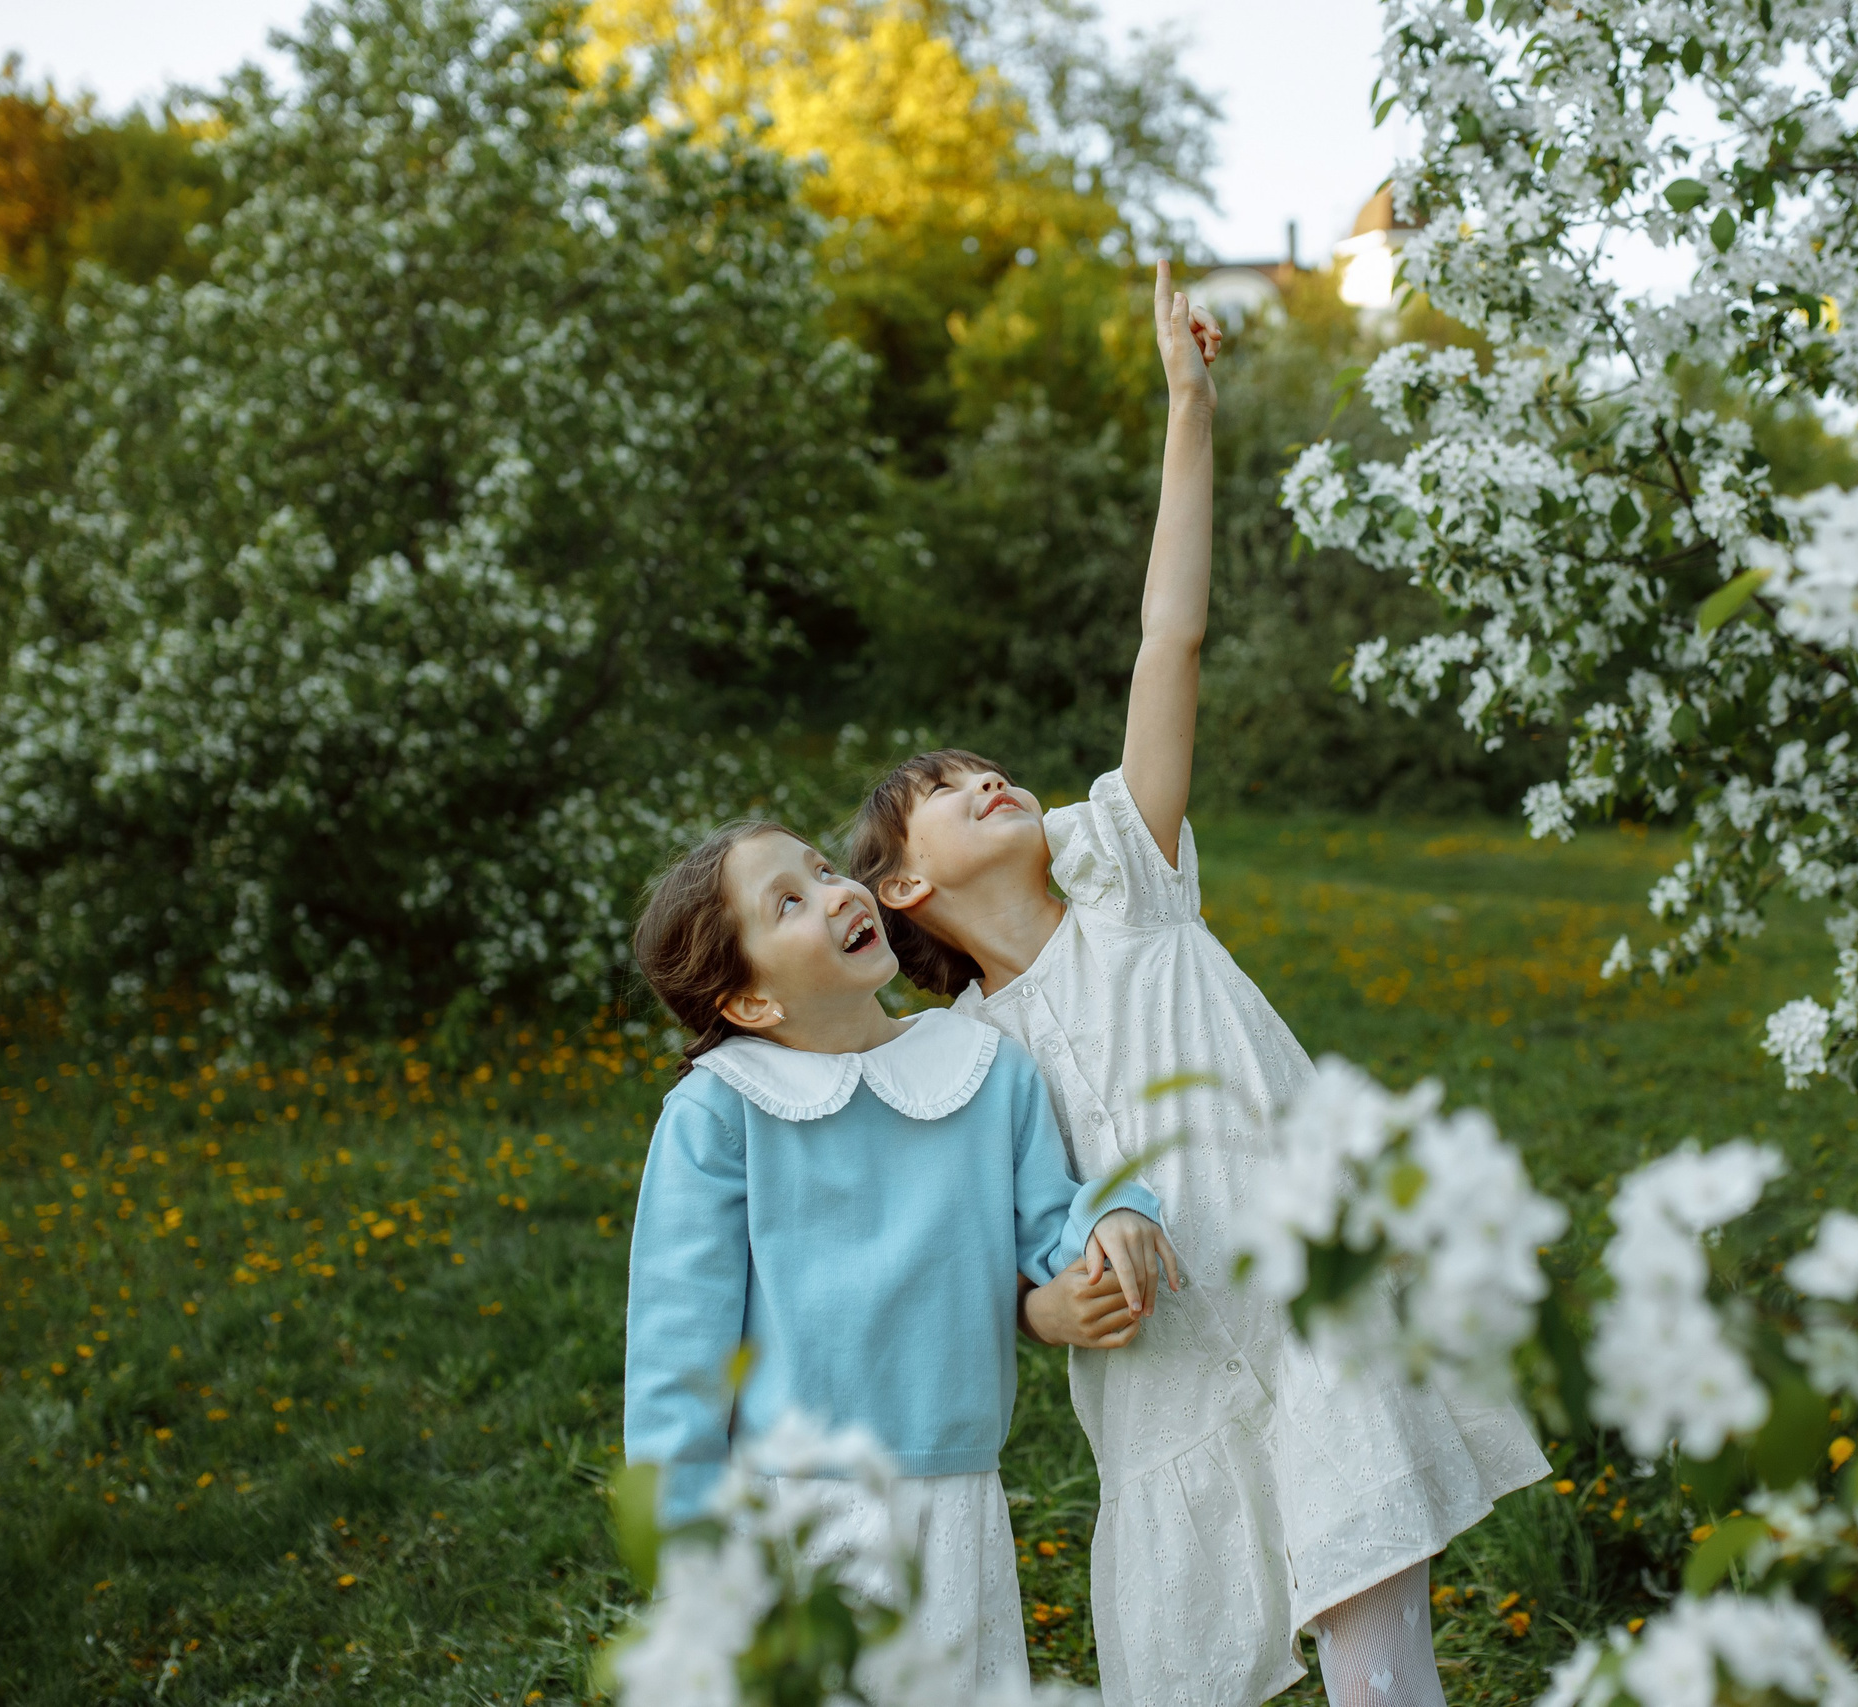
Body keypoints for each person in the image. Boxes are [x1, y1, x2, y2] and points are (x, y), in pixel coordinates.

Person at [848, 262, 1547, 1707]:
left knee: (1377, 1663)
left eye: (987, 764)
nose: (985, 776)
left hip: (1313, 1310)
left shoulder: (1131, 878)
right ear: (905, 887)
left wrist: (1189, 405)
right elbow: (986, 1268)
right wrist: (1052, 1313)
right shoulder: (965, 1059)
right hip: (1162, 1393)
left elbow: (1170, 637)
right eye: (944, 789)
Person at [621, 819, 1179, 1691]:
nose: (840, 890)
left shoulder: (982, 1066)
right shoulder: (720, 1114)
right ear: (752, 1003)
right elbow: (676, 1351)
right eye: (791, 902)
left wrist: (1113, 1214)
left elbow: (1052, 1220)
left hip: (955, 1486)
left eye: (823, 866)